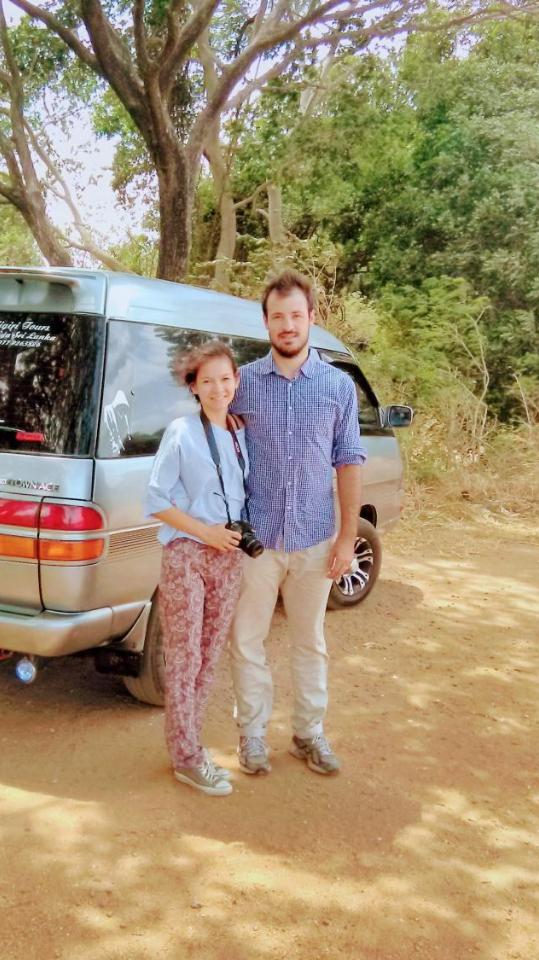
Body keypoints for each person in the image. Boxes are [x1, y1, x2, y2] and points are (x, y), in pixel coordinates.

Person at [229, 269, 365, 777]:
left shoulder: (338, 387)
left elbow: (349, 462)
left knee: (310, 642)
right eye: (277, 317)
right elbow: (214, 442)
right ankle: (252, 736)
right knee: (247, 641)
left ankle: (309, 733)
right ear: (266, 323)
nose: (287, 325)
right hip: (256, 542)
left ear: (311, 319)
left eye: (296, 315)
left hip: (314, 538)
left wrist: (348, 538)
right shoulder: (241, 384)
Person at [143, 340, 250, 797]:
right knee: (184, 658)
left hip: (229, 556)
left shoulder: (239, 432)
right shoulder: (182, 433)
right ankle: (186, 758)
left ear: (236, 382)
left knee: (208, 659)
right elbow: (154, 500)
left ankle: (194, 747)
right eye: (207, 380)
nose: (218, 388)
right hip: (188, 553)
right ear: (193, 386)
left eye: (225, 379)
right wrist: (204, 533)